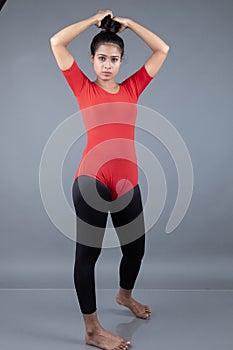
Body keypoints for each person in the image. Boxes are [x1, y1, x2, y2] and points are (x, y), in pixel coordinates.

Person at [50, 9, 170, 350]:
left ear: (120, 62)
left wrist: (130, 24)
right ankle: (92, 330)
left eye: (114, 59)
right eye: (101, 58)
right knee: (88, 256)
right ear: (91, 59)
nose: (107, 64)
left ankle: (124, 295)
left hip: (127, 182)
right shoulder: (83, 88)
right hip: (91, 181)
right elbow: (57, 42)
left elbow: (162, 50)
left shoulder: (133, 87)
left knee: (136, 249)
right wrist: (91, 21)